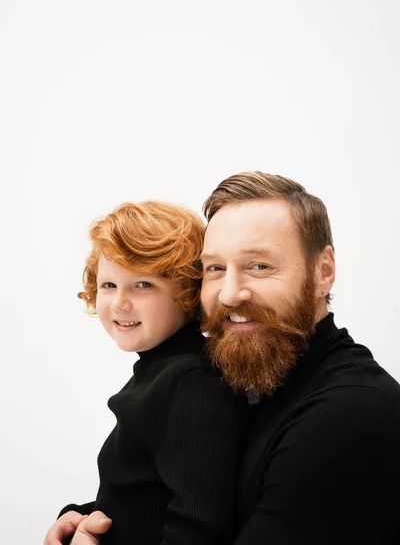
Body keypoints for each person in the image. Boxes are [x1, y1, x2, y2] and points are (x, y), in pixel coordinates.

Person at [47, 172, 400, 545]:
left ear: (323, 271)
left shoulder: (349, 414)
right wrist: (87, 519)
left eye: (259, 266)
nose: (230, 294)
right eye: (215, 268)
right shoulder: (265, 384)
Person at [44, 201, 245, 545]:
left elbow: (199, 528)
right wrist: (76, 515)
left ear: (187, 290)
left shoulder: (192, 383)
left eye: (143, 285)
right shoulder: (161, 371)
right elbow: (146, 497)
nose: (120, 302)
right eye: (109, 285)